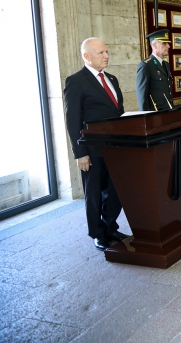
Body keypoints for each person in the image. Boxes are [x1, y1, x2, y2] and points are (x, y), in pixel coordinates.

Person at [63, 37, 130, 251]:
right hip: (91, 151)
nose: (106, 56)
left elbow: (118, 113)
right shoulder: (76, 81)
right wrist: (80, 153)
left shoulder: (112, 78)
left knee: (116, 190)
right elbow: (72, 121)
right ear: (86, 56)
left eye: (106, 51)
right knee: (93, 194)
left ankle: (110, 226)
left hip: (115, 147)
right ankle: (97, 233)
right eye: (101, 53)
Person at [136, 29, 174, 111]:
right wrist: (145, 118)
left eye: (168, 43)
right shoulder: (146, 65)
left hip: (168, 111)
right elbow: (142, 96)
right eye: (164, 43)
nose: (168, 46)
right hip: (154, 114)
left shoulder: (166, 65)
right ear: (154, 45)